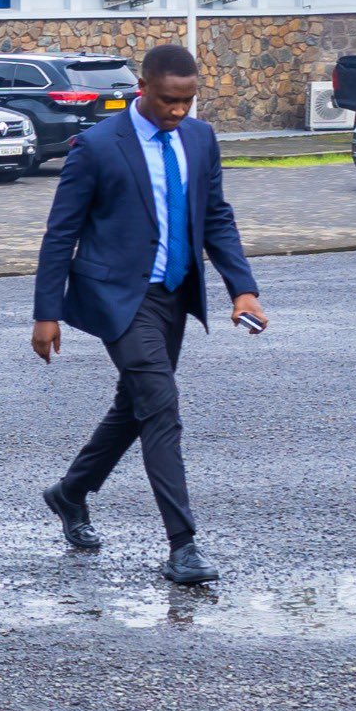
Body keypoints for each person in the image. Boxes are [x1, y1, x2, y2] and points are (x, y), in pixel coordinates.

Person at [32, 41, 265, 585]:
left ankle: (69, 492)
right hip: (118, 297)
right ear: (144, 88)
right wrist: (47, 312)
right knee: (160, 407)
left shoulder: (201, 139)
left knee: (135, 406)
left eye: (187, 101)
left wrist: (242, 289)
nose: (178, 111)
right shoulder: (97, 145)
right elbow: (60, 232)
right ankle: (183, 546)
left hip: (174, 295)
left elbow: (217, 217)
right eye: (168, 100)